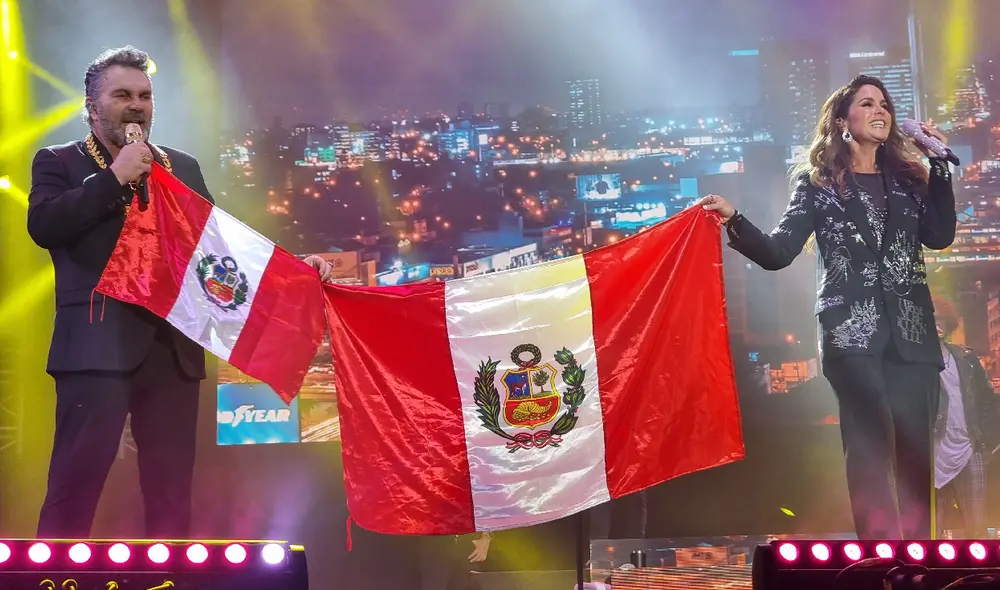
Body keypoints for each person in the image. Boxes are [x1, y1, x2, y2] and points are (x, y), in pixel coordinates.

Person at [27, 46, 333, 538]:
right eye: (122, 94)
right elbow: (43, 226)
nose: (137, 105)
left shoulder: (180, 166)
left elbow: (221, 245)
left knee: (171, 494)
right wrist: (114, 179)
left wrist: (296, 271)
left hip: (173, 351)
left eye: (145, 96)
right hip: (95, 349)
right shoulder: (58, 161)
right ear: (92, 104)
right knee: (74, 486)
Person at [700, 74, 956, 540]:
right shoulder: (817, 184)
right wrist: (734, 220)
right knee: (871, 438)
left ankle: (920, 557)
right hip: (850, 334)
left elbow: (939, 236)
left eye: (885, 104)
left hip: (913, 333)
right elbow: (779, 253)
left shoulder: (909, 179)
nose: (881, 111)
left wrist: (939, 166)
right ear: (843, 119)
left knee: (917, 447)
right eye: (867, 103)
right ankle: (881, 553)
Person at [932, 296, 998, 539]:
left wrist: (988, 441)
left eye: (940, 319)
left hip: (969, 449)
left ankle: (978, 577)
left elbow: (988, 399)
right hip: (933, 453)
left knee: (976, 528)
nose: (936, 324)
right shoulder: (916, 362)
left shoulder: (966, 358)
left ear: (949, 324)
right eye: (931, 319)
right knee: (931, 530)